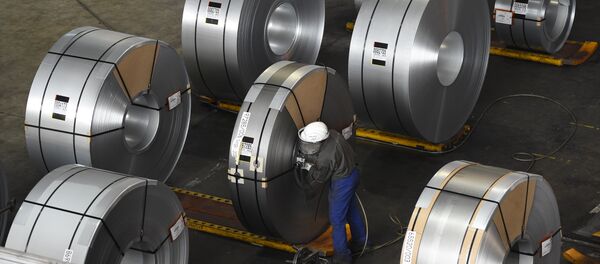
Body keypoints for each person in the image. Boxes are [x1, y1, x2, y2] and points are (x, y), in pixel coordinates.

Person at [295, 121, 367, 264]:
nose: (307, 147)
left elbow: (319, 179)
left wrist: (309, 168)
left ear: (320, 141)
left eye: (310, 144)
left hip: (343, 182)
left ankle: (342, 257)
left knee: (337, 219)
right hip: (352, 171)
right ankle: (361, 241)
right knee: (351, 210)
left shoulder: (324, 159)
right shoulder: (333, 134)